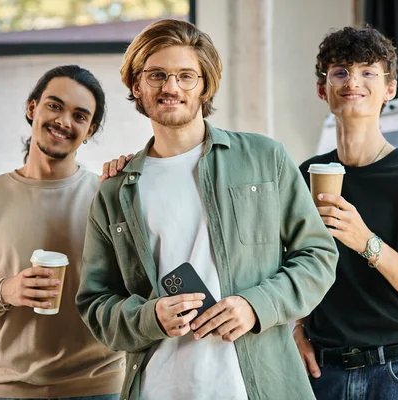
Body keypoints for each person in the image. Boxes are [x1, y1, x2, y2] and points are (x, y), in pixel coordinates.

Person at [75, 19, 338, 400]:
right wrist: (150, 317)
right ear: (137, 85)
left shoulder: (266, 159)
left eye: (186, 76)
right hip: (158, 387)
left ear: (204, 85)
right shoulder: (115, 190)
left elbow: (318, 256)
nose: (170, 87)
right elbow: (95, 302)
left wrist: (255, 305)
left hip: (257, 386)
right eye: (157, 75)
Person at [294, 27, 398, 400]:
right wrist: (298, 327)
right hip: (324, 372)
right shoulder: (304, 176)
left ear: (389, 89)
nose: (353, 81)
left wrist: (365, 241)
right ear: (323, 90)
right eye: (340, 72)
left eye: (368, 72)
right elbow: (291, 266)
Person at [0, 65, 124, 400]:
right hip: (12, 390)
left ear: (90, 129)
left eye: (79, 115)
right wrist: (5, 290)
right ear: (32, 108)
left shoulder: (106, 197)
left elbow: (136, 288)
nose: (64, 121)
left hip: (99, 387)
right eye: (54, 106)